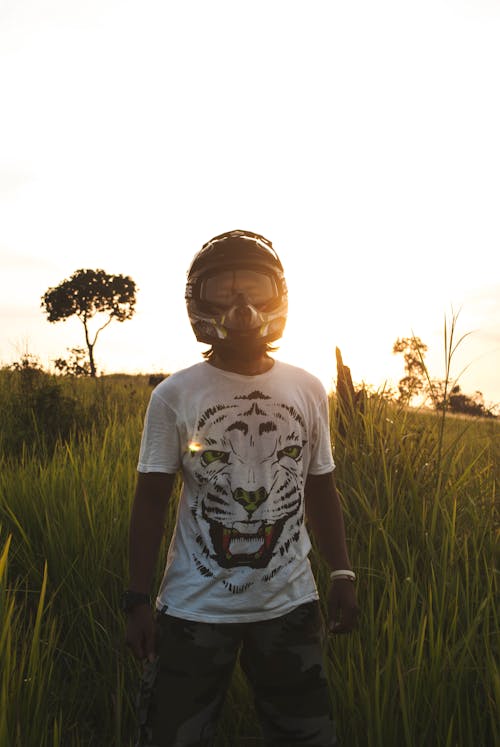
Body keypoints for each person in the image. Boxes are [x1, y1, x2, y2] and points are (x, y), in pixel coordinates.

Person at [124, 230, 359, 747]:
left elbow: (321, 486)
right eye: (222, 289)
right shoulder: (173, 395)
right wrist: (137, 599)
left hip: (290, 605)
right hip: (192, 611)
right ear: (197, 300)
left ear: (278, 294)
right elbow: (150, 500)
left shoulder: (307, 387)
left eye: (253, 287)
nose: (241, 305)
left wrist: (340, 570)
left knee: (307, 736)